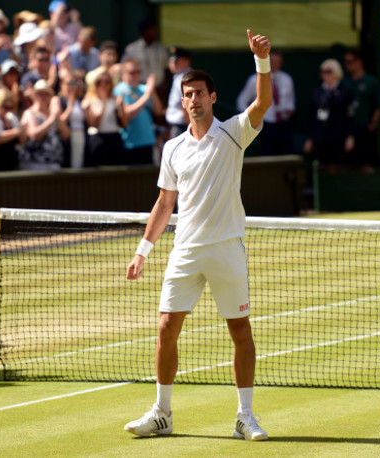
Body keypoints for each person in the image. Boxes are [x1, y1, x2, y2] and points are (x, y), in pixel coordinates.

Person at [123, 29, 272, 441]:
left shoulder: (234, 133)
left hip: (226, 248)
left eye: (199, 93)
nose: (193, 100)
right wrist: (142, 251)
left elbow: (263, 103)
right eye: (186, 94)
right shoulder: (171, 149)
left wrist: (262, 61)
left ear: (212, 97)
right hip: (185, 250)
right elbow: (163, 205)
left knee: (240, 331)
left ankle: (245, 416)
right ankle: (162, 413)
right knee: (166, 328)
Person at [236, 50, 295, 156]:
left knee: (287, 155)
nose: (275, 64)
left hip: (284, 123)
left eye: (278, 61)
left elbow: (290, 99)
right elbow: (241, 101)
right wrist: (250, 118)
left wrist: (290, 108)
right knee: (267, 155)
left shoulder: (287, 79)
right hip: (265, 125)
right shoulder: (254, 80)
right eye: (272, 61)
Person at [304, 58, 354, 175]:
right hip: (320, 137)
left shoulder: (345, 91)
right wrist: (310, 138)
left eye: (329, 71)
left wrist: (350, 136)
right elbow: (311, 115)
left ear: (336, 73)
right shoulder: (318, 91)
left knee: (336, 168)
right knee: (320, 168)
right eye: (323, 71)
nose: (325, 74)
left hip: (338, 137)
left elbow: (350, 116)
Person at [113, 59, 163, 164]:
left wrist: (152, 92)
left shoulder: (144, 89)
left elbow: (158, 110)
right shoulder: (119, 90)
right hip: (131, 143)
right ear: (123, 74)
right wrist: (147, 95)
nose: (136, 75)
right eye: (132, 72)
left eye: (138, 72)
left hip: (148, 141)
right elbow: (128, 113)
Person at [344, 48, 380, 173]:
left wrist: (373, 124)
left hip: (364, 129)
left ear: (359, 61)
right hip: (347, 130)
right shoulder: (345, 82)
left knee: (366, 165)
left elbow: (379, 105)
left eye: (350, 62)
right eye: (346, 62)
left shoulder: (371, 81)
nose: (348, 65)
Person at [18, 79, 68, 171]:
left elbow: (66, 134)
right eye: (40, 93)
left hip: (54, 162)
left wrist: (57, 114)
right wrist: (51, 119)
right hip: (35, 163)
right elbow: (34, 134)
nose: (43, 97)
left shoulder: (53, 114)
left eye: (47, 94)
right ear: (34, 95)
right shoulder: (29, 113)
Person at [82, 70, 125, 166]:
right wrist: (104, 103)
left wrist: (121, 107)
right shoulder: (90, 100)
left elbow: (124, 124)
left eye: (107, 82)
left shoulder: (115, 99)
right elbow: (95, 124)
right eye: (99, 82)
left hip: (114, 138)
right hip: (98, 139)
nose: (103, 85)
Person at [121, 18, 168, 87]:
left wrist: (165, 85)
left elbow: (166, 68)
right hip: (139, 88)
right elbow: (124, 69)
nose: (156, 32)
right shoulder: (132, 49)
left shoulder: (161, 48)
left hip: (159, 87)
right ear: (145, 31)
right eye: (153, 29)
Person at [58, 70, 86, 168]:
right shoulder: (59, 101)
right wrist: (70, 106)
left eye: (74, 83)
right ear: (62, 84)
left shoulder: (81, 101)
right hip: (67, 139)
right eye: (69, 83)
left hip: (81, 136)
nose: (71, 86)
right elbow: (60, 121)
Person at [165, 45, 192, 139]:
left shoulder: (184, 78)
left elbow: (186, 106)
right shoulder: (179, 77)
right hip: (180, 126)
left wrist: (192, 128)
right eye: (171, 61)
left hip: (184, 127)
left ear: (187, 62)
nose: (173, 63)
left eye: (177, 61)